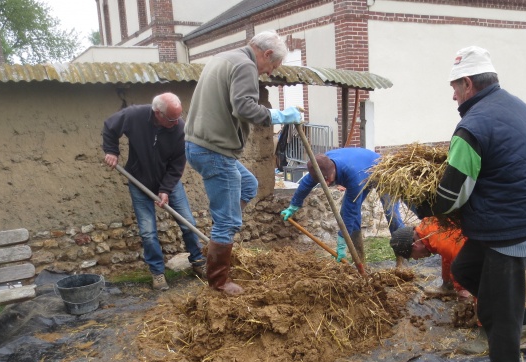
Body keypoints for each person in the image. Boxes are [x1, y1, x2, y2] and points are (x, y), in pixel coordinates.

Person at [416, 46, 526, 362]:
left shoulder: (472, 127)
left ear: (468, 83)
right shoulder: (515, 105)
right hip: (518, 215)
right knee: (464, 270)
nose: (453, 96)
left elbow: (452, 196)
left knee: (497, 307)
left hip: (510, 228)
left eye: (455, 88)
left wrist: (423, 205)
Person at [184, 30, 302, 296]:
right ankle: (219, 282)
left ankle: (224, 228)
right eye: (273, 66)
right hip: (215, 150)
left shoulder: (224, 58)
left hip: (199, 146)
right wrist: (279, 115)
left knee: (248, 184)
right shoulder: (245, 65)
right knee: (226, 221)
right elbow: (244, 108)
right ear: (267, 53)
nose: (269, 73)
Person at [102, 93, 205, 291]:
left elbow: (177, 165)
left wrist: (165, 189)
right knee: (148, 232)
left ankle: (199, 261)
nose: (176, 122)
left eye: (178, 117)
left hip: (169, 182)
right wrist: (111, 150)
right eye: (172, 118)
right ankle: (157, 273)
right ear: (158, 113)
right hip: (139, 181)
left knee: (188, 224)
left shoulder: (180, 129)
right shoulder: (134, 116)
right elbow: (110, 126)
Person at [389, 218, 526, 338]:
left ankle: (488, 333)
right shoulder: (428, 228)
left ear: (415, 245)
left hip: (501, 243)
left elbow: (473, 272)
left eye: (413, 256)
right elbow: (448, 259)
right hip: (484, 237)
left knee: (486, 287)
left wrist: (466, 293)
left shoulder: (440, 241)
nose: (417, 259)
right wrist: (448, 284)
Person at [280, 148, 405, 263]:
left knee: (391, 214)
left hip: (381, 170)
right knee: (345, 213)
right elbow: (305, 184)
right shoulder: (319, 167)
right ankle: (360, 261)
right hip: (362, 170)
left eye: (328, 179)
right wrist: (293, 206)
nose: (326, 184)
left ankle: (402, 259)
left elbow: (351, 210)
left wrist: (342, 240)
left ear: (333, 170)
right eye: (323, 181)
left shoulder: (352, 175)